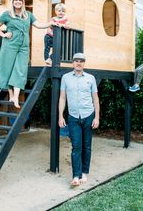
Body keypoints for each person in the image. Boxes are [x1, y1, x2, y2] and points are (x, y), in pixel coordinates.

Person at [0, 0, 56, 108]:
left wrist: (50, 23)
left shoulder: (28, 15)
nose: (18, 2)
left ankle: (15, 98)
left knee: (20, 70)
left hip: (24, 46)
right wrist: (3, 34)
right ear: (13, 2)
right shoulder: (7, 14)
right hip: (10, 44)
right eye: (16, 0)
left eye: (20, 0)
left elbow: (39, 25)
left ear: (22, 2)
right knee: (7, 69)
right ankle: (11, 94)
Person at [58, 53, 100, 186]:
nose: (78, 63)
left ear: (84, 63)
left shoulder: (91, 78)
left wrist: (97, 117)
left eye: (81, 61)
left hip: (88, 115)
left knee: (86, 146)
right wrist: (60, 116)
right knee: (76, 146)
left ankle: (84, 173)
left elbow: (95, 99)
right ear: (73, 63)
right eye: (76, 60)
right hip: (73, 117)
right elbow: (62, 98)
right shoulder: (65, 78)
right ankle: (76, 175)